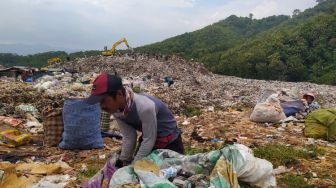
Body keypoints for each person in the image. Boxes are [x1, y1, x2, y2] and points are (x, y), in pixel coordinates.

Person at [86, 73, 184, 167]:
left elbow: (149, 139)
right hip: (149, 137)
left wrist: (134, 165)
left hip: (169, 140)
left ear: (119, 94)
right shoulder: (115, 109)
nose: (102, 106)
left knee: (171, 174)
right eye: (99, 102)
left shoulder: (145, 107)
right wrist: (122, 160)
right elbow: (129, 136)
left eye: (104, 100)